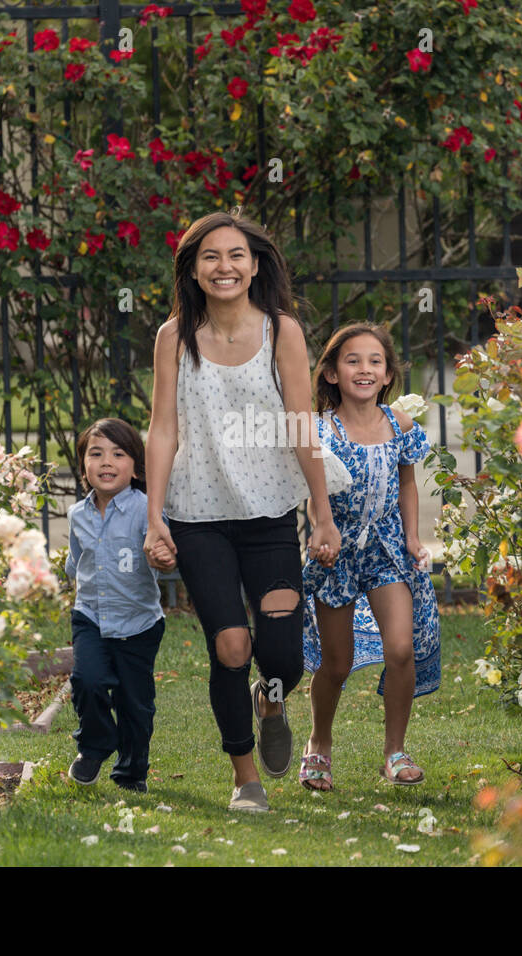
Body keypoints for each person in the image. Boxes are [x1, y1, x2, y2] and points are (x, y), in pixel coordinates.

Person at [143, 208, 341, 813]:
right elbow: (162, 429)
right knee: (230, 646)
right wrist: (154, 516)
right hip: (198, 515)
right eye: (210, 257)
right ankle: (244, 777)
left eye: (235, 256)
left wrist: (323, 513)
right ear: (194, 270)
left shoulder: (281, 331)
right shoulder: (173, 337)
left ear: (255, 266)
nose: (224, 266)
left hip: (269, 515)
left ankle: (272, 702)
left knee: (280, 655)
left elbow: (303, 425)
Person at [298, 323, 441, 791]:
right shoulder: (320, 429)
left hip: (385, 550)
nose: (364, 368)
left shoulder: (398, 424)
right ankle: (318, 743)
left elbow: (406, 483)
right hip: (335, 552)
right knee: (336, 664)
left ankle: (395, 751)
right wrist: (322, 527)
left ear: (387, 375)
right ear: (334, 373)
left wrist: (413, 538)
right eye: (352, 360)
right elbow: (311, 493)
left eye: (374, 361)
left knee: (401, 648)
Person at [65, 418, 169, 793]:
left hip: (138, 623)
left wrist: (164, 556)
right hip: (90, 615)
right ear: (83, 468)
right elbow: (76, 562)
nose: (106, 462)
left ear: (136, 467)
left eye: (118, 454)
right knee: (87, 681)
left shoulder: (147, 510)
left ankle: (131, 772)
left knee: (134, 704)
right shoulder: (77, 515)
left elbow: (165, 548)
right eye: (96, 454)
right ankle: (94, 746)